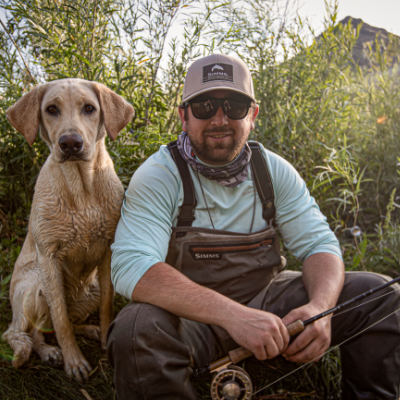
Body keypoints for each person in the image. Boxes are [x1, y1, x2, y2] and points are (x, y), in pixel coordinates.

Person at [107, 54, 400, 399]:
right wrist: (234, 317)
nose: (219, 119)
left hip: (269, 301)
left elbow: (319, 244)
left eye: (234, 106)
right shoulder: (159, 175)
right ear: (183, 117)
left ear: (253, 115)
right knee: (135, 329)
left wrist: (319, 309)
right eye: (204, 107)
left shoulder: (273, 171)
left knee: (383, 295)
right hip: (190, 322)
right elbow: (132, 267)